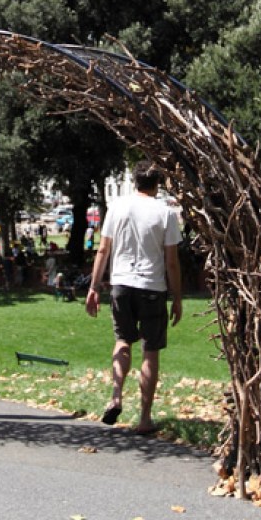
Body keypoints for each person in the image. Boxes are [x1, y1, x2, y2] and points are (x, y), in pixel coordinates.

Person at [84, 161, 182, 434]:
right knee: (150, 352)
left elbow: (103, 250)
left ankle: (116, 395)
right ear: (157, 184)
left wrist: (93, 287)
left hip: (121, 284)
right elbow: (172, 262)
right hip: (152, 286)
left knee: (122, 340)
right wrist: (177, 297)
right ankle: (145, 418)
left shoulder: (117, 207)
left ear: (135, 181)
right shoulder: (166, 213)